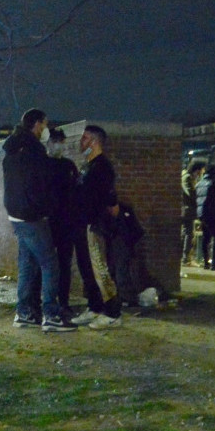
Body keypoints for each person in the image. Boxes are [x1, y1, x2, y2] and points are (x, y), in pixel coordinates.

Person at [2, 109, 76, 333]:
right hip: (32, 215)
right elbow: (38, 185)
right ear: (36, 125)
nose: (46, 129)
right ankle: (51, 314)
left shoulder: (13, 149)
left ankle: (24, 312)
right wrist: (45, 207)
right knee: (49, 263)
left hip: (16, 213)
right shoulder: (33, 152)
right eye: (44, 124)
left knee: (27, 262)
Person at [72, 124, 123, 329]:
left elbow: (109, 198)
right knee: (87, 269)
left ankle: (112, 313)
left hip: (95, 225)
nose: (81, 142)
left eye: (84, 138)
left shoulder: (102, 167)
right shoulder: (89, 165)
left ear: (93, 141)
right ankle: (94, 307)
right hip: (83, 224)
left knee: (100, 268)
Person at [47, 128, 102, 317]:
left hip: (68, 223)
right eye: (56, 141)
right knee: (47, 264)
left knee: (64, 264)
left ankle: (63, 302)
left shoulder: (69, 166)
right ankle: (47, 302)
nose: (58, 145)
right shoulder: (43, 165)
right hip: (50, 222)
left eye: (61, 141)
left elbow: (78, 189)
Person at [181, 161, 205, 266]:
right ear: (197, 169)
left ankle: (186, 257)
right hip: (187, 210)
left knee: (188, 233)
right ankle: (186, 258)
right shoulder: (187, 178)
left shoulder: (189, 178)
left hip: (188, 209)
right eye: (201, 170)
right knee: (188, 233)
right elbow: (191, 193)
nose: (201, 173)